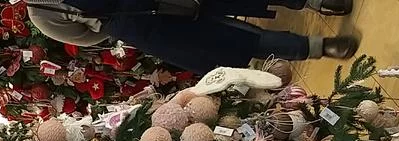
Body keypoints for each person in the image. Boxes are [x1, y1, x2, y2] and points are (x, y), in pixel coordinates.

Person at [27, 0, 358, 74]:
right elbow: (85, 38)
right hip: (138, 24)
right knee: (231, 39)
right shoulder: (41, 13)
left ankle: (317, 1)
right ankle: (318, 47)